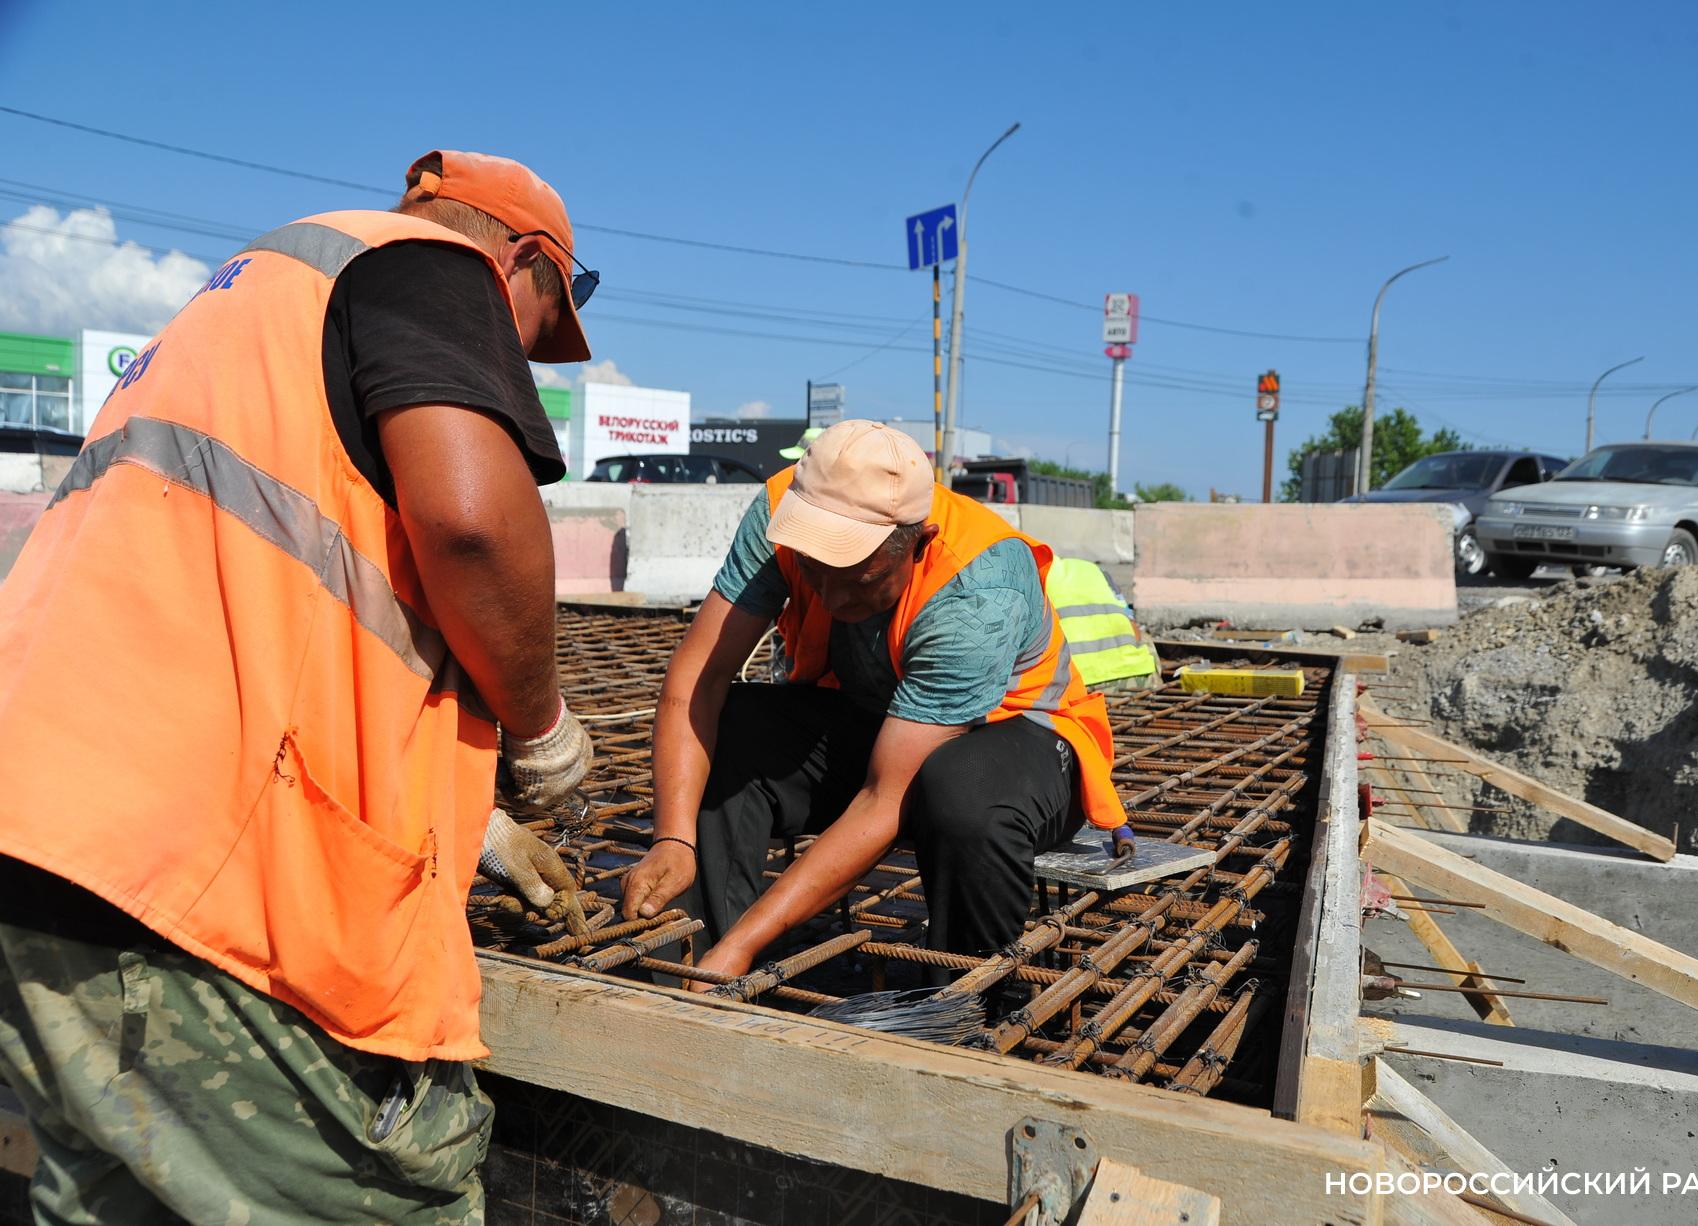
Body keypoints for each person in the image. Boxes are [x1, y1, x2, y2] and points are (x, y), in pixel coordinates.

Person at [0, 150, 600, 1224]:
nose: (520, 364)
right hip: (192, 900)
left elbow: (251, 613)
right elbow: (469, 520)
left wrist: (477, 827)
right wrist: (541, 721)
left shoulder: (244, 308)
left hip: (42, 849)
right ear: (519, 263)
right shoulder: (425, 265)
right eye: (534, 329)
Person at [621, 420, 1130, 984]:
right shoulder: (780, 511)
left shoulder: (977, 588)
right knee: (734, 727)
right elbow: (698, 679)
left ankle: (964, 1006)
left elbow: (886, 796)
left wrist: (748, 943)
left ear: (920, 542)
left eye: (860, 578)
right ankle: (703, 969)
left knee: (962, 793)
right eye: (816, 571)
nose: (834, 598)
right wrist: (673, 836)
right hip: (882, 721)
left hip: (1017, 744)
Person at [1044, 555, 1162, 694]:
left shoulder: (1033, 578)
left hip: (1075, 687)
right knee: (1144, 636)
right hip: (1135, 679)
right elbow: (1133, 630)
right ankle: (1154, 685)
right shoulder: (1093, 569)